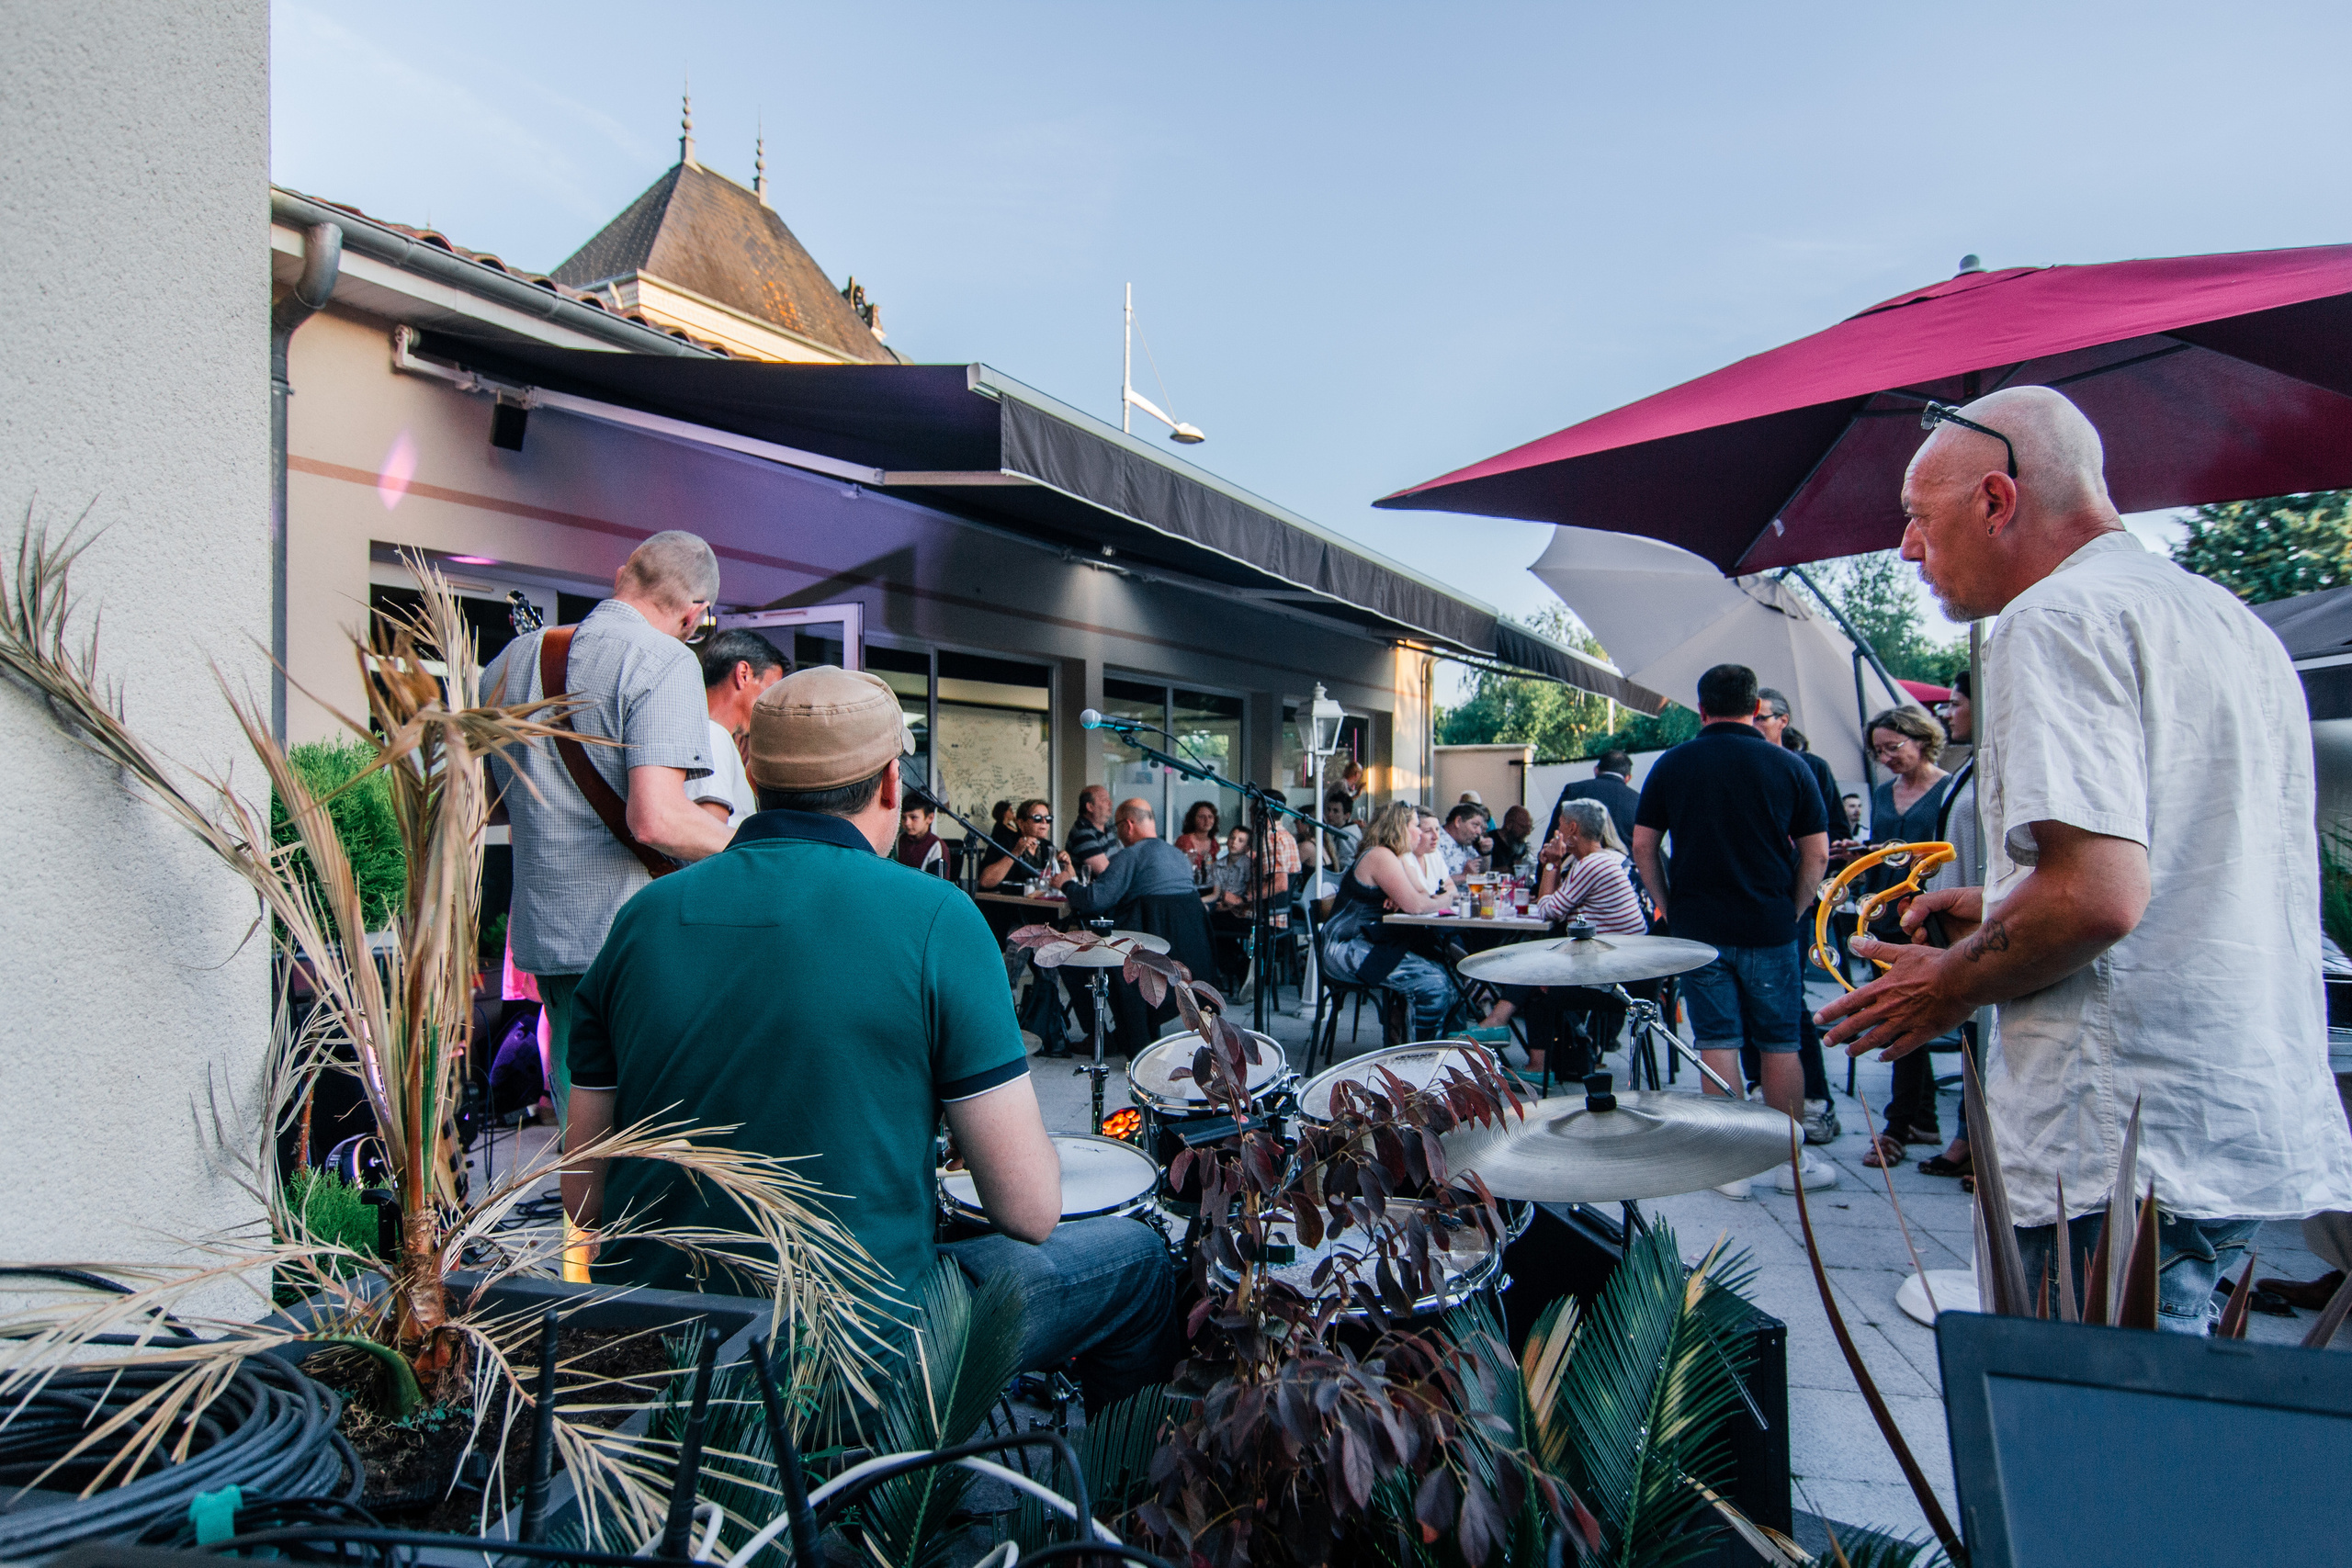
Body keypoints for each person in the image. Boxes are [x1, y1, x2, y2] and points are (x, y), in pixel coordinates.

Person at [1817, 384, 2352, 1332]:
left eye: (1916, 519)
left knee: (2096, 1462)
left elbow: (2098, 900)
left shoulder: (2052, 619)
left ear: (1994, 499)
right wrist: (2006, 907)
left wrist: (1944, 986)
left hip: (2119, 1140)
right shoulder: (2231, 623)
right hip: (2231, 1114)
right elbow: (2189, 874)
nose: (1906, 550)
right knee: (2166, 1440)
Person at [560, 667, 1172, 1408]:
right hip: (861, 1358)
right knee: (1138, 1257)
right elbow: (1028, 1209)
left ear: (752, 775)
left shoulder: (639, 920)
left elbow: (584, 1199)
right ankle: (1053, 1496)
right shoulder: (935, 917)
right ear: (891, 783)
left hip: (660, 1353)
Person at [485, 531, 735, 1126]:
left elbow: (493, 805)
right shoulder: (662, 658)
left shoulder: (509, 661)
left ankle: (584, 1225)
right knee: (653, 1129)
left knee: (581, 1128)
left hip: (550, 936)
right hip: (633, 938)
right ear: (695, 611)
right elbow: (655, 818)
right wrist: (757, 844)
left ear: (625, 572)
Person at [1632, 662, 1834, 1197]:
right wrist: (1792, 909)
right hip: (1768, 923)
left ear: (1701, 709)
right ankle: (1788, 1162)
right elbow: (1817, 855)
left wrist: (1667, 905)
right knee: (1780, 1042)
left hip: (1697, 927)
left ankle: (1730, 1166)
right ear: (1754, 708)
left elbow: (1643, 846)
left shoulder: (1672, 764)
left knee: (1717, 1038)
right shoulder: (1789, 766)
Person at [1474, 799, 1648, 1075]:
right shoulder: (1601, 860)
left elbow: (1547, 910)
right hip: (1617, 963)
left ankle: (1507, 1032)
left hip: (1614, 978)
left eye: (1559, 824)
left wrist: (1552, 865)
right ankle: (1518, 1044)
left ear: (1573, 827)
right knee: (1537, 967)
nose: (1557, 830)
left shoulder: (1592, 864)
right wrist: (1552, 866)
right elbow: (1555, 907)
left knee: (1538, 978)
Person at [1854, 705, 1956, 1168]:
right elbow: (1885, 850)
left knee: (1905, 1014)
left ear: (1920, 740)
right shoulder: (1881, 792)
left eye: (1893, 747)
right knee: (1901, 1012)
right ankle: (1923, 1119)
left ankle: (1896, 1128)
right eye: (1879, 752)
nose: (1887, 758)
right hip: (1884, 916)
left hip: (1929, 917)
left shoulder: (1950, 790)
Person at [1046, 799, 1217, 1048]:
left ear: (1128, 824)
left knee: (1072, 962)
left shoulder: (1130, 855)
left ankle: (1103, 1038)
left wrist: (1066, 883)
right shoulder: (1177, 855)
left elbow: (1095, 899)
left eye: (1116, 828)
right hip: (1188, 953)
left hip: (1146, 954)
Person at [1758, 687, 1845, 1146]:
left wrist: (1800, 901)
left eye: (1761, 718)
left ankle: (1813, 1103)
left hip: (1790, 903)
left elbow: (1836, 838)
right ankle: (1761, 1094)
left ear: (1782, 721)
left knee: (1788, 1004)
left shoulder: (1810, 768)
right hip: (1752, 903)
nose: (1752, 725)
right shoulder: (1739, 766)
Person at [1318, 801, 1459, 1038]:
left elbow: (1419, 896)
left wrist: (1403, 897)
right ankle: (1419, 1056)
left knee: (1444, 970)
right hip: (1346, 948)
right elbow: (1417, 905)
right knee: (1434, 983)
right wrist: (1449, 898)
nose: (1420, 832)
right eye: (1416, 825)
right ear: (1400, 828)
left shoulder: (1391, 855)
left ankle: (1408, 1036)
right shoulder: (1380, 856)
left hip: (1369, 942)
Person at [688, 629, 791, 824]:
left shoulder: (713, 735)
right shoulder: (712, 736)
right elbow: (711, 832)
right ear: (743, 674)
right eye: (771, 690)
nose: (774, 704)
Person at [1546, 750, 1639, 847]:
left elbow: (1556, 830)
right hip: (1624, 861)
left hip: (1578, 859)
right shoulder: (1638, 800)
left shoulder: (1574, 790)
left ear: (1596, 770)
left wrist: (1544, 857)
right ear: (1628, 778)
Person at [978, 797, 1067, 890]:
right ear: (1021, 823)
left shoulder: (1048, 847)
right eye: (1037, 818)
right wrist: (1015, 853)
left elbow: (1066, 883)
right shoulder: (1004, 843)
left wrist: (1068, 864)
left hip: (1040, 902)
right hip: (1009, 902)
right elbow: (985, 882)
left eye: (1048, 818)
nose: (1044, 822)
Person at [1066, 784, 1122, 878]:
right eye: (1104, 800)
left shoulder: (1109, 830)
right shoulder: (1082, 833)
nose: (1110, 803)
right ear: (1090, 807)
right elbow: (1107, 874)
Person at [895, 795, 947, 876]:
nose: (907, 823)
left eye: (914, 817)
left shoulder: (936, 846)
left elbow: (938, 884)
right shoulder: (900, 839)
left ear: (930, 818)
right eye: (904, 817)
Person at [1439, 803, 1493, 880]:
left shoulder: (1466, 843)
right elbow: (1432, 883)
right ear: (1458, 821)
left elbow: (1482, 873)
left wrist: (1485, 852)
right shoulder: (1435, 842)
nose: (1479, 831)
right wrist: (1464, 876)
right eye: (1475, 825)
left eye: (1480, 827)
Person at [1319, 792, 1363, 880]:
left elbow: (1346, 865)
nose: (1330, 814)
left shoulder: (1345, 836)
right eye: (1328, 809)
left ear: (1347, 816)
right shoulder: (1349, 830)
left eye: (1336, 811)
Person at [1490, 805, 1538, 881]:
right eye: (1523, 827)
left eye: (1530, 828)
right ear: (1509, 824)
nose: (1528, 832)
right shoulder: (1489, 842)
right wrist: (1511, 868)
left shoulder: (1521, 845)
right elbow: (1482, 872)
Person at [1174, 800, 1222, 869]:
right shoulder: (1184, 841)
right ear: (1193, 819)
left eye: (1210, 816)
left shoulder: (1214, 844)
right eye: (1202, 817)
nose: (1207, 820)